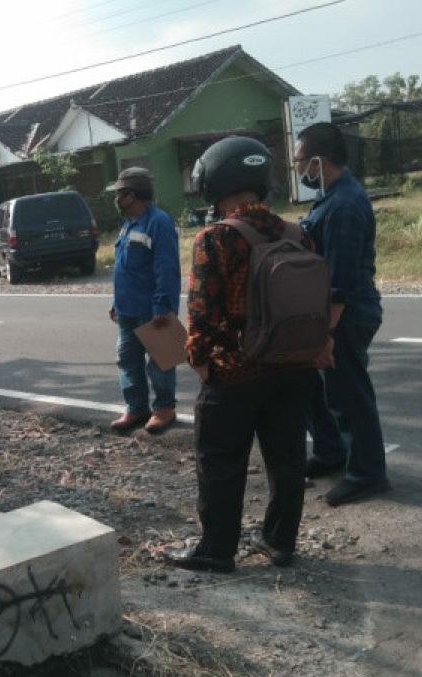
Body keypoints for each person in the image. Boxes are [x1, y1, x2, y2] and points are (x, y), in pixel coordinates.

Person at [168, 137, 325, 573]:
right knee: (287, 459)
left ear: (217, 180)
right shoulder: (299, 234)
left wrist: (200, 360)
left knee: (220, 462)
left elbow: (201, 311)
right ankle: (281, 542)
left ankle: (218, 550)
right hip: (292, 366)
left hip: (234, 372)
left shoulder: (216, 238)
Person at [294, 122, 390, 506]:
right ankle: (331, 453)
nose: (299, 170)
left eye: (301, 161)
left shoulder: (345, 205)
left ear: (318, 161)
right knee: (318, 388)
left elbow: (342, 280)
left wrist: (326, 335)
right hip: (330, 314)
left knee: (348, 395)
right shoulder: (332, 198)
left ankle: (367, 474)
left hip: (345, 316)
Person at [106, 167, 182, 435]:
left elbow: (167, 268)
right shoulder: (128, 224)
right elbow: (124, 268)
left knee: (160, 360)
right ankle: (136, 408)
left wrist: (163, 307)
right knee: (127, 359)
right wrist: (117, 301)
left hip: (152, 309)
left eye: (119, 194)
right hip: (128, 309)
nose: (116, 200)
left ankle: (164, 409)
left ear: (132, 195)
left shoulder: (158, 222)